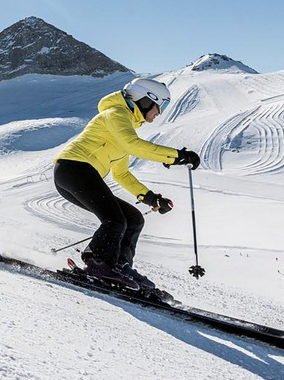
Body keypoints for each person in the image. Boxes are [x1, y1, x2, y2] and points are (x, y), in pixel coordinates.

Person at [52, 78, 200, 292]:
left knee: (133, 218)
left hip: (78, 174)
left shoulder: (124, 124)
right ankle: (98, 263)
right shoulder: (115, 114)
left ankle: (119, 265)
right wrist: (176, 156)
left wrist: (151, 198)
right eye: (161, 106)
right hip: (73, 168)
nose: (160, 113)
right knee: (114, 219)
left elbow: (121, 173)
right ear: (146, 100)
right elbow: (134, 146)